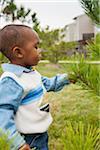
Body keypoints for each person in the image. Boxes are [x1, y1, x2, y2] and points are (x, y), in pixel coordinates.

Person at [0, 24, 75, 150]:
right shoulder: (12, 80)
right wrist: (16, 142)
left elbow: (49, 84)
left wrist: (67, 78)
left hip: (40, 134)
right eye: (36, 47)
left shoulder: (30, 73)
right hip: (27, 139)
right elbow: (3, 114)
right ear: (18, 52)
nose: (39, 50)